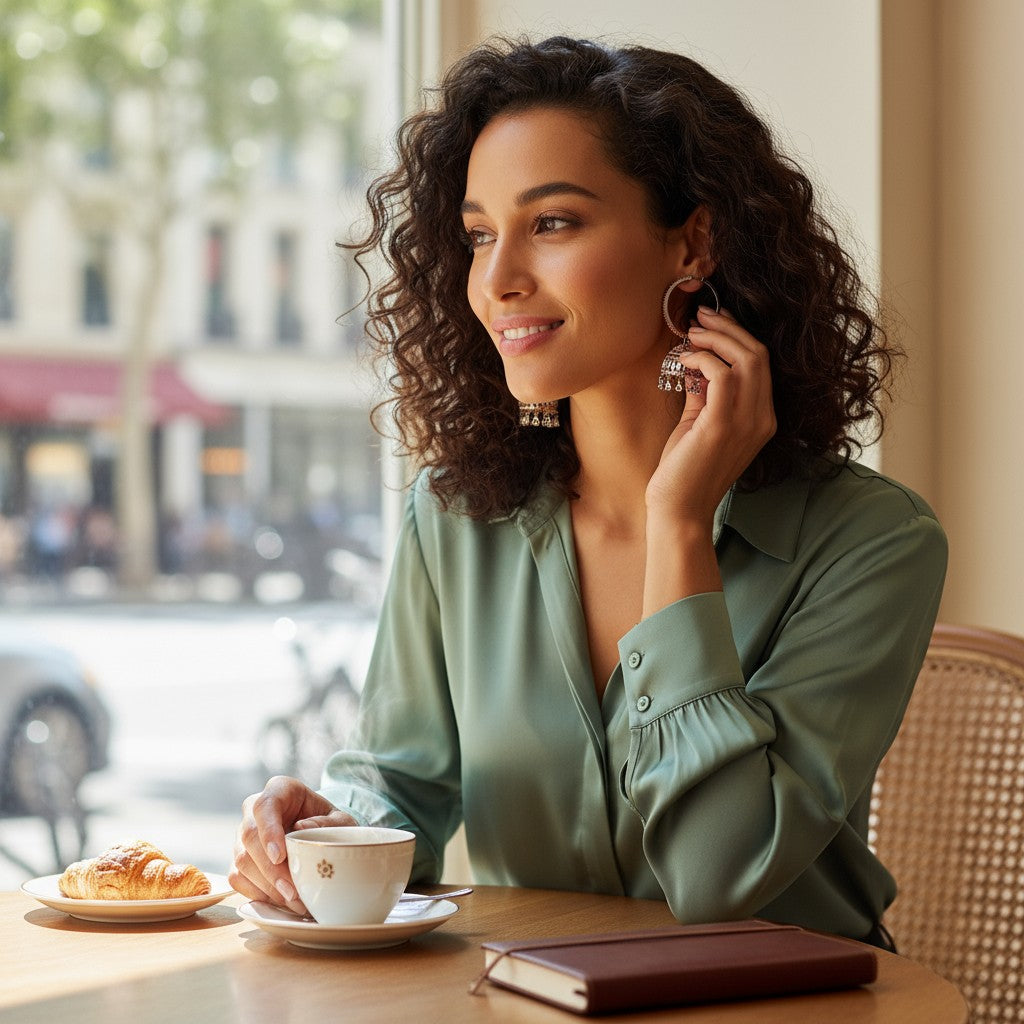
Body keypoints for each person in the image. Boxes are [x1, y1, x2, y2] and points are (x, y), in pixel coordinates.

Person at [230, 35, 947, 948]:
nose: (496, 281)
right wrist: (326, 830)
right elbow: (405, 783)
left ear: (692, 241)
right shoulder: (454, 518)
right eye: (480, 234)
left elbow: (718, 874)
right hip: (530, 1002)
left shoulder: (872, 542)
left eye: (553, 223)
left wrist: (678, 523)